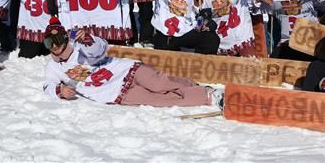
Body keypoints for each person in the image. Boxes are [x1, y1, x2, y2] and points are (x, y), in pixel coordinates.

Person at [42, 17, 221, 107]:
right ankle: (204, 97)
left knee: (160, 83)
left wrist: (88, 39)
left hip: (127, 71)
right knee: (158, 100)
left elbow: (99, 51)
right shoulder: (53, 67)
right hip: (113, 93)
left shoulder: (80, 47)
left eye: (58, 41)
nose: (55, 46)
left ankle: (203, 89)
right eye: (50, 42)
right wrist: (60, 90)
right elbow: (48, 86)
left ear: (66, 38)